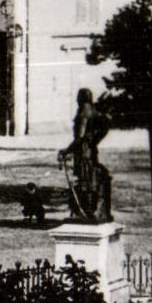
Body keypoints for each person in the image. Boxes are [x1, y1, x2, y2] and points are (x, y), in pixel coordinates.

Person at [58, 88, 112, 222]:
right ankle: (91, 211)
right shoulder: (93, 110)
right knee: (89, 180)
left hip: (83, 153)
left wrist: (66, 150)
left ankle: (88, 212)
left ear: (81, 98)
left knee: (85, 181)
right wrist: (94, 140)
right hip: (91, 151)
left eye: (78, 97)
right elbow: (105, 127)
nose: (76, 100)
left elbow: (79, 138)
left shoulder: (83, 112)